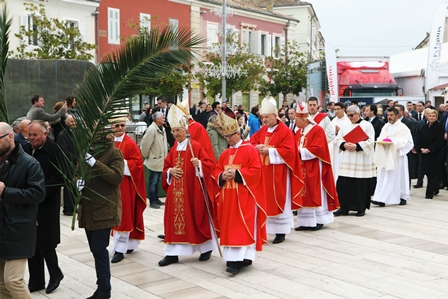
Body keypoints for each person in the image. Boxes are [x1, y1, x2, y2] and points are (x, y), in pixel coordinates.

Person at [159, 105, 216, 267]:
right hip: (175, 193)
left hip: (192, 191)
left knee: (195, 216)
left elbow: (209, 164)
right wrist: (170, 171)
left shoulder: (195, 146)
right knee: (172, 221)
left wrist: (199, 165)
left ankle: (204, 248)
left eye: (179, 130)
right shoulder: (174, 148)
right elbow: (166, 167)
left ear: (185, 129)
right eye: (174, 131)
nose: (176, 134)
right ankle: (172, 253)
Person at [213, 112, 267, 274]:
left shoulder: (250, 150)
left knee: (242, 227)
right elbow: (216, 172)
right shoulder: (224, 154)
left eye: (230, 135)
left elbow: (256, 171)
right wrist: (222, 176)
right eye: (226, 136)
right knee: (230, 227)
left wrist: (236, 174)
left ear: (238, 133)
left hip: (244, 198)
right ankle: (233, 258)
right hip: (228, 199)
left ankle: (241, 259)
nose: (228, 139)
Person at [0, 122, 45, 299]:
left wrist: (6, 192)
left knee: (13, 281)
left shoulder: (29, 163)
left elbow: (38, 193)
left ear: (10, 137)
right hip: (2, 228)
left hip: (18, 230)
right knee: (2, 285)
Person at [250, 97, 304, 244]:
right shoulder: (263, 130)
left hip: (279, 173)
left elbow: (290, 152)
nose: (264, 120)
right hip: (264, 173)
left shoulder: (285, 131)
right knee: (264, 200)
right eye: (263, 117)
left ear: (275, 116)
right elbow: (252, 141)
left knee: (280, 199)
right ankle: (265, 230)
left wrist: (270, 151)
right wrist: (257, 147)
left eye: (266, 117)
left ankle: (281, 231)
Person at [79, 129, 124, 299]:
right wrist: (78, 182)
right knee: (95, 249)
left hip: (104, 209)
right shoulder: (89, 150)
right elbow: (78, 170)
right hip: (89, 208)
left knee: (99, 249)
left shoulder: (114, 152)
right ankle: (102, 287)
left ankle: (104, 289)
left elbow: (116, 177)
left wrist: (95, 163)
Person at [23, 120, 64, 294]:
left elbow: (60, 178)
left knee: (46, 243)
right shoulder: (24, 150)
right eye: (29, 135)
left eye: (35, 135)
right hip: (28, 204)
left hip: (47, 204)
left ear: (45, 133)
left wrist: (39, 192)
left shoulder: (55, 151)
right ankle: (36, 280)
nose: (32, 138)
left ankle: (55, 274)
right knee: (31, 243)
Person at [294, 105, 339, 231]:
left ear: (304, 119)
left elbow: (319, 148)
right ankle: (304, 221)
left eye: (296, 120)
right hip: (302, 166)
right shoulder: (299, 131)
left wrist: (300, 151)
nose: (295, 122)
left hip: (314, 166)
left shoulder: (317, 130)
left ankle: (319, 219)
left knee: (315, 191)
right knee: (303, 193)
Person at [110, 116, 146, 264]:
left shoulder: (130, 143)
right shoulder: (108, 142)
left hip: (125, 185)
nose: (120, 128)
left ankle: (119, 250)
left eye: (122, 125)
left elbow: (138, 164)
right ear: (111, 127)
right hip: (110, 185)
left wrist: (120, 163)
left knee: (123, 216)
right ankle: (128, 244)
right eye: (117, 125)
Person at [333, 105, 375, 217]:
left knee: (360, 186)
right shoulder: (345, 126)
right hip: (347, 160)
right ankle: (344, 207)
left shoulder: (367, 125)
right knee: (343, 184)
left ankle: (360, 208)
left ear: (358, 114)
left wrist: (357, 146)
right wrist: (344, 144)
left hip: (361, 160)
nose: (350, 117)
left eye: (352, 115)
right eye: (348, 115)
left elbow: (371, 141)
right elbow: (337, 139)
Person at [371, 107, 414, 207]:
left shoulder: (403, 128)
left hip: (397, 156)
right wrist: (383, 140)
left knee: (399, 177)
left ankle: (402, 196)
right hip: (386, 155)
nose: (389, 117)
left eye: (391, 115)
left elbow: (407, 142)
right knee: (383, 177)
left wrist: (392, 142)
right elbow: (381, 137)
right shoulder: (386, 126)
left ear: (397, 115)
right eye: (388, 115)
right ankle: (380, 198)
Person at [413, 109, 444, 199]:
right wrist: (420, 148)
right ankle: (436, 187)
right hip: (424, 153)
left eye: (433, 116)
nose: (431, 117)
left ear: (436, 117)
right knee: (426, 172)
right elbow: (419, 138)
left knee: (432, 173)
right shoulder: (425, 127)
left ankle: (429, 194)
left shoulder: (439, 127)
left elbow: (439, 141)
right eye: (430, 116)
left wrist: (429, 149)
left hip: (434, 154)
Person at [140, 111, 168, 209]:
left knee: (157, 181)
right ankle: (152, 200)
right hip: (154, 160)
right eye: (162, 117)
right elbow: (144, 146)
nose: (164, 118)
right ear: (157, 119)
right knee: (153, 182)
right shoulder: (152, 129)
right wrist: (148, 156)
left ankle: (156, 198)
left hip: (161, 160)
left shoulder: (162, 129)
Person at [56, 115, 78, 216]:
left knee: (76, 186)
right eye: (71, 121)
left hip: (78, 164)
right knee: (69, 186)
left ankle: (74, 206)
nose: (73, 123)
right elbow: (64, 151)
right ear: (66, 123)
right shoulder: (62, 135)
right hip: (68, 164)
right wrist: (77, 158)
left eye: (74, 121)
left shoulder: (78, 133)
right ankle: (68, 208)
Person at [330, 102, 350, 182]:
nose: (336, 111)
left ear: (343, 109)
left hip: (344, 147)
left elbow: (350, 133)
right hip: (335, 148)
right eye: (335, 109)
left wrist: (340, 131)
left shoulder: (348, 121)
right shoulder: (333, 121)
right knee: (335, 166)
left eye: (338, 109)